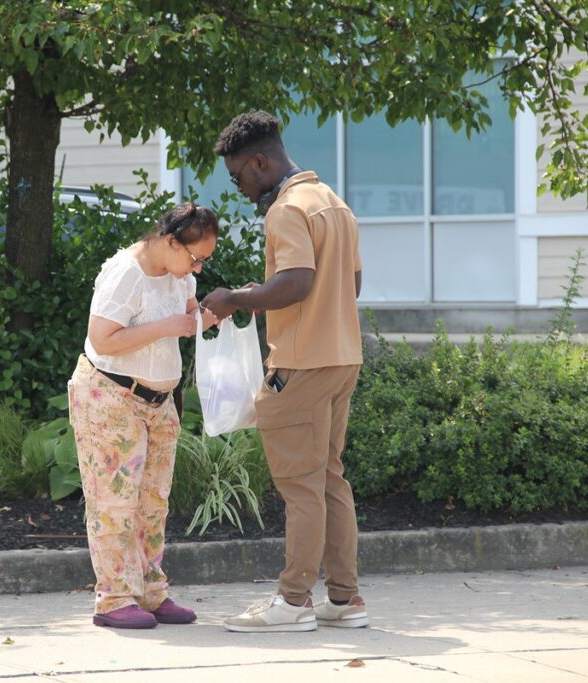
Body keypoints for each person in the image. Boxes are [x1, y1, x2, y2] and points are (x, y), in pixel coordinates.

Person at [202, 110, 368, 633]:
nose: (239, 186)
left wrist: (235, 297)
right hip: (343, 357)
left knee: (300, 485)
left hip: (300, 364)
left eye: (238, 176)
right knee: (328, 478)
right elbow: (350, 284)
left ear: (259, 161)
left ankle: (293, 602)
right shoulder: (332, 202)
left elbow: (297, 282)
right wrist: (264, 294)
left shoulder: (286, 209)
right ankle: (343, 599)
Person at [69, 202, 219, 629]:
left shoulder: (179, 274)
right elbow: (103, 338)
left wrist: (220, 314)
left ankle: (152, 593)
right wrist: (169, 327)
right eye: (195, 258)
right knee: (113, 502)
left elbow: (189, 316)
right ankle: (114, 599)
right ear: (170, 241)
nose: (198, 268)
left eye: (204, 261)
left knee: (153, 503)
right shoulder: (125, 273)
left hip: (160, 402)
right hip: (111, 395)